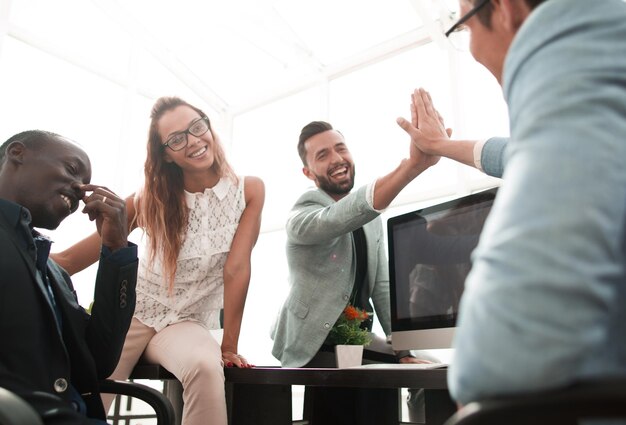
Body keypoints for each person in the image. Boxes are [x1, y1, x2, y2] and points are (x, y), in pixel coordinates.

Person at [403, 0, 626, 407]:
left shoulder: (580, 75)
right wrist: (439, 146)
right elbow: (520, 152)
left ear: (506, 9)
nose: (471, 49)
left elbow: (497, 361)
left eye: (466, 26)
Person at [52, 97, 265, 425]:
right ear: (165, 154)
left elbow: (236, 268)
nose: (193, 141)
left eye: (197, 126)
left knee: (206, 368)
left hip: (185, 323)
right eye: (177, 138)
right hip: (130, 317)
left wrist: (229, 346)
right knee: (89, 390)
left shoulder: (249, 190)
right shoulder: (148, 199)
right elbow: (68, 259)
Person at [270, 120, 439, 423]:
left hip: (356, 339)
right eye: (322, 155)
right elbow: (338, 218)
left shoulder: (371, 219)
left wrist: (403, 349)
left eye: (340, 148)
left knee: (432, 370)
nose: (336, 158)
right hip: (316, 341)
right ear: (308, 173)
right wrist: (410, 167)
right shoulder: (304, 212)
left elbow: (382, 285)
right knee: (424, 376)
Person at [0, 130, 137, 424]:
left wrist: (116, 250)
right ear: (17, 153)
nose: (79, 189)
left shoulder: (54, 273)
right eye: (72, 170)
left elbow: (98, 360)